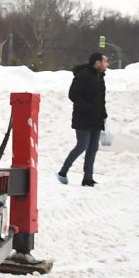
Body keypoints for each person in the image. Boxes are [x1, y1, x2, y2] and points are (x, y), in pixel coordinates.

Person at [58, 50, 109, 187]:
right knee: (82, 146)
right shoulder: (83, 75)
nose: (107, 64)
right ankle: (63, 172)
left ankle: (88, 178)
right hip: (83, 118)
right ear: (97, 62)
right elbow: (73, 95)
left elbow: (101, 100)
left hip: (96, 119)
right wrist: (88, 108)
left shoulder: (100, 77)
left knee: (93, 148)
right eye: (105, 61)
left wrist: (103, 114)